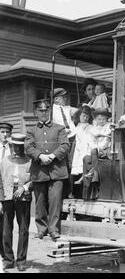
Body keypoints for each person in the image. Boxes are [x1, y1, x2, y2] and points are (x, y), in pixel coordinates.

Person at [24, 99, 70, 241]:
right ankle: (41, 229)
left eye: (46, 110)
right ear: (36, 112)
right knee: (39, 202)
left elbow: (65, 145)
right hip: (39, 171)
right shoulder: (31, 130)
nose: (44, 113)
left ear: (49, 111)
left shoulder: (59, 128)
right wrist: (40, 156)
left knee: (55, 201)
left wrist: (53, 155)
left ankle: (53, 229)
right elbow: (28, 147)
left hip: (57, 171)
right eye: (41, 110)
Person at [0, 133, 32, 271]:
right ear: (11, 146)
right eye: (15, 146)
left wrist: (24, 188)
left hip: (23, 198)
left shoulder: (30, 161)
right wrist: (0, 200)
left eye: (20, 147)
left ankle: (21, 260)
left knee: (23, 229)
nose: (17, 149)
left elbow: (36, 179)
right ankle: (8, 259)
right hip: (7, 197)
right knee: (6, 230)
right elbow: (0, 181)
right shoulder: (4, 161)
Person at [81, 108, 112, 200]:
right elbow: (91, 142)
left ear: (106, 119)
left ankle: (94, 176)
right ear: (96, 120)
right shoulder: (93, 128)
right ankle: (87, 192)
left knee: (94, 152)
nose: (101, 121)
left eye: (103, 119)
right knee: (86, 159)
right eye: (99, 119)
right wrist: (97, 148)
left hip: (106, 150)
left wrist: (100, 148)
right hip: (96, 151)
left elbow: (107, 140)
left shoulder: (108, 127)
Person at [70, 106, 93, 192]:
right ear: (79, 116)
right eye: (83, 115)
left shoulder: (90, 127)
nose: (85, 118)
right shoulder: (76, 127)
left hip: (86, 148)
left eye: (87, 116)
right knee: (76, 170)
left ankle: (85, 191)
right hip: (77, 151)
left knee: (85, 169)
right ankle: (75, 191)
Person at [0, 122, 13, 263]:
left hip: (9, 190)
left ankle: (6, 255)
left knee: (6, 226)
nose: (5, 135)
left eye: (7, 132)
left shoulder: (14, 150)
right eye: (2, 132)